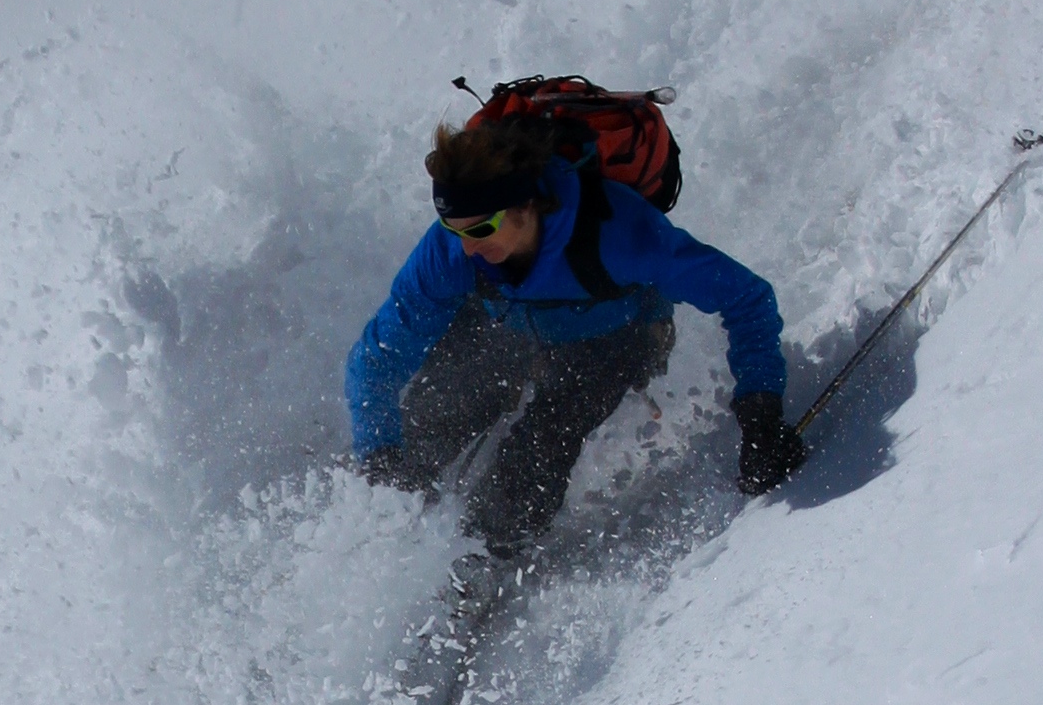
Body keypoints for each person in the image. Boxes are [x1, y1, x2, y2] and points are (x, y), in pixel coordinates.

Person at [346, 108, 807, 549]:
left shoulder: (619, 235)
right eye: (453, 228)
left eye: (480, 229)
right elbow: (377, 360)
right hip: (506, 327)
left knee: (535, 455)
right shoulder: (451, 251)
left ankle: (485, 557)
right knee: (421, 431)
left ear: (525, 204)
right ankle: (389, 538)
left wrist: (761, 414)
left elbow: (747, 297)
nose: (465, 247)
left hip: (611, 338)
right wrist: (380, 459)